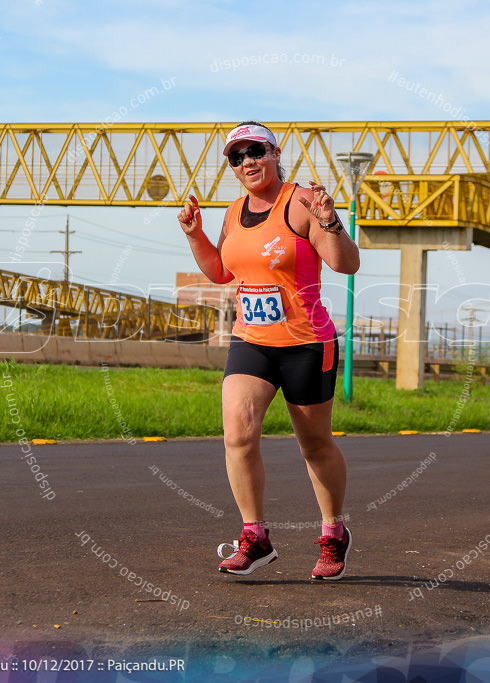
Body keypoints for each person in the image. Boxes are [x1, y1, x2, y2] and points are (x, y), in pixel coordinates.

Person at [177, 121, 360, 580]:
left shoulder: (301, 202)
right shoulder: (234, 210)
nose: (246, 163)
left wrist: (329, 220)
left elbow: (346, 263)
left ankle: (334, 533)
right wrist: (195, 234)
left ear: (275, 153)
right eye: (236, 157)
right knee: (237, 434)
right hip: (251, 341)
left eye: (254, 151)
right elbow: (221, 273)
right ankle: (255, 538)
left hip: (306, 343)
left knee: (314, 445)